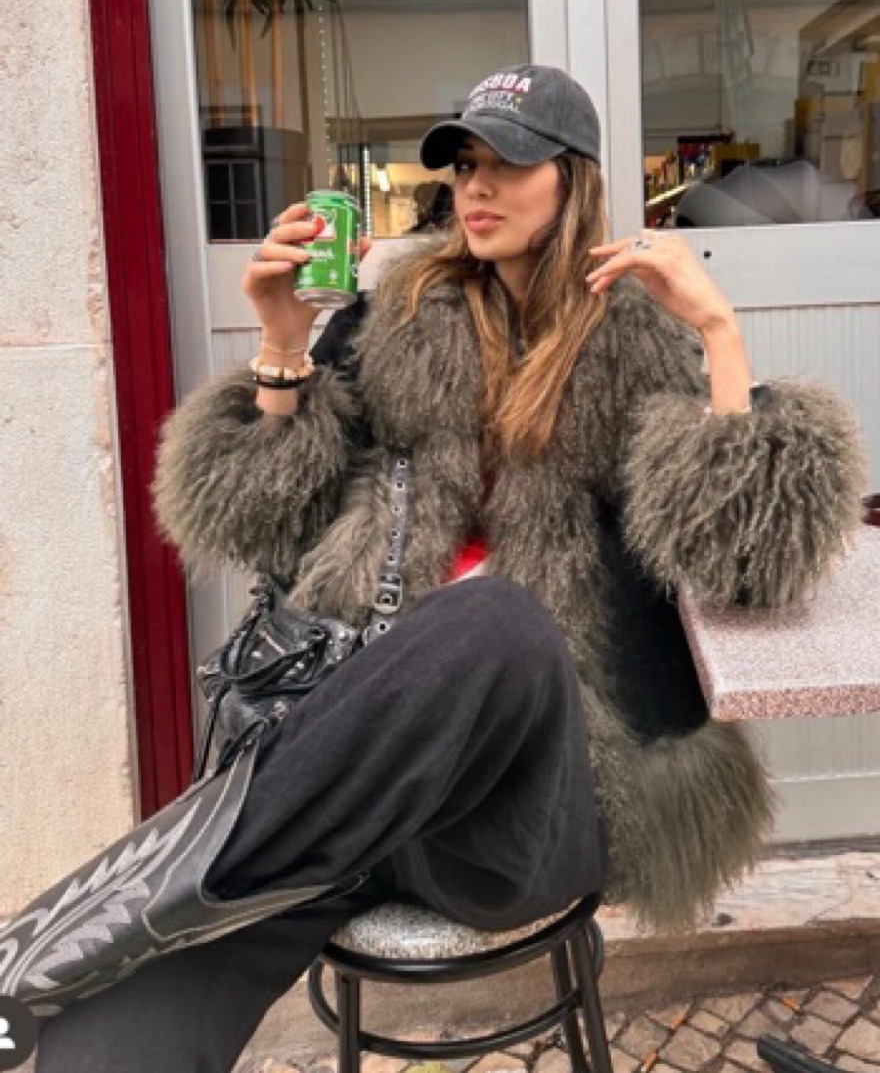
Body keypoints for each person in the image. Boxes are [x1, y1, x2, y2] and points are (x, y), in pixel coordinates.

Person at [35, 63, 865, 1072]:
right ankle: (46, 983)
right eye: (464, 164)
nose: (476, 186)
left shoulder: (635, 340)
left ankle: (68, 924)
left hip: (533, 810)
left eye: (507, 164)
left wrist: (718, 331)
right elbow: (257, 521)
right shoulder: (397, 320)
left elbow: (748, 559)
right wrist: (283, 343)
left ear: (572, 180)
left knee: (496, 622)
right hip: (361, 797)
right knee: (189, 961)